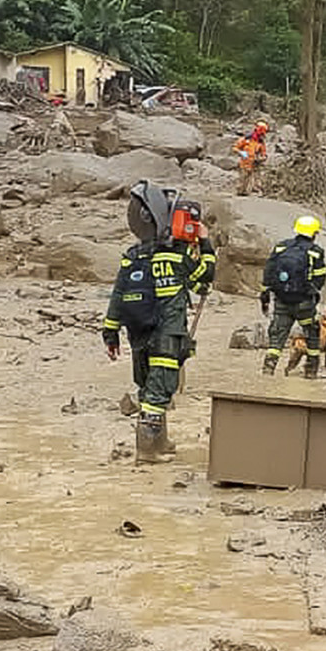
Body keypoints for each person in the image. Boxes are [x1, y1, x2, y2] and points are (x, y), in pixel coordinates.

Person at [101, 181, 217, 463]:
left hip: (137, 331)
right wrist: (204, 241)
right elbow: (206, 273)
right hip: (168, 331)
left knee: (146, 385)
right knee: (160, 387)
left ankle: (161, 441)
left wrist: (110, 333)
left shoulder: (131, 257)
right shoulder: (176, 257)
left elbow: (117, 296)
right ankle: (148, 451)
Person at [261, 215, 326, 379]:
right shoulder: (315, 252)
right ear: (313, 233)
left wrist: (265, 294)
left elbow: (269, 272)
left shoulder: (281, 247)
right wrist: (313, 293)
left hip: (281, 300)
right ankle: (311, 372)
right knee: (312, 335)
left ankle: (267, 371)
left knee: (277, 337)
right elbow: (320, 278)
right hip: (304, 302)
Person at [234, 121, 268, 195]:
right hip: (244, 163)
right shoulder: (246, 139)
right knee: (242, 180)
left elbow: (264, 154)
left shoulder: (261, 142)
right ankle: (241, 191)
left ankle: (255, 190)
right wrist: (241, 152)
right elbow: (235, 148)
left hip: (254, 164)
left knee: (256, 178)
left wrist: (261, 158)